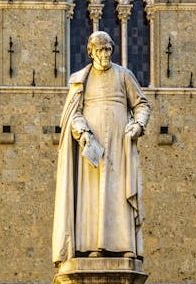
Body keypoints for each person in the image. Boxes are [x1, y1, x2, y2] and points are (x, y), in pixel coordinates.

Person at [52, 31, 151, 265]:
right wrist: (83, 132)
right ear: (91, 52)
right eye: (100, 50)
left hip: (119, 145)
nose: (105, 54)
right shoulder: (80, 80)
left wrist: (138, 124)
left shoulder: (124, 75)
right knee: (92, 196)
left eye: (108, 49)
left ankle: (125, 246)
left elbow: (141, 104)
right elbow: (73, 113)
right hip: (92, 149)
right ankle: (91, 246)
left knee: (118, 192)